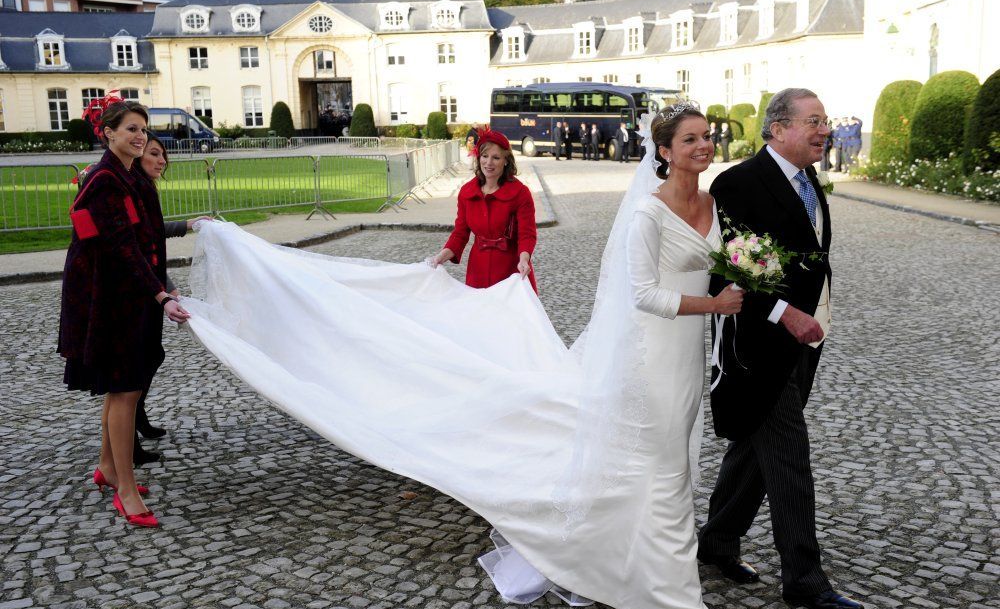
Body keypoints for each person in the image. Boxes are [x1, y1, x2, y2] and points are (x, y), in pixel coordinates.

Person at [179, 105, 743, 609]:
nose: (702, 145)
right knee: (631, 436)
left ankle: (646, 544)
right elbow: (463, 235)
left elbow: (530, 235)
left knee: (671, 448)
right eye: (690, 138)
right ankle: (665, 578)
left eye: (705, 137)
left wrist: (524, 261)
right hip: (486, 285)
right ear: (664, 151)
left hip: (521, 288)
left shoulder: (693, 203)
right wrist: (437, 261)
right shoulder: (629, 210)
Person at [700, 88, 864, 609]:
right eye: (813, 121)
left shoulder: (809, 177)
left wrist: (813, 316)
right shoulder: (737, 184)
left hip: (804, 342)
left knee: (753, 446)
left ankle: (717, 541)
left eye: (825, 120)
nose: (824, 130)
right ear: (777, 128)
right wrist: (786, 314)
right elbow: (728, 272)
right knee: (791, 459)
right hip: (758, 347)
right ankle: (804, 580)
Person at [58, 98, 190, 528]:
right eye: (130, 129)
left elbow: (147, 238)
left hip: (131, 293)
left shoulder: (130, 175)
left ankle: (109, 467)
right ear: (108, 133)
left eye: (143, 129)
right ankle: (126, 492)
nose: (139, 136)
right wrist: (161, 294)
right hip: (114, 298)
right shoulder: (105, 181)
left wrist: (160, 286)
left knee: (124, 388)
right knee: (126, 389)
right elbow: (121, 248)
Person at [130, 134, 211, 464]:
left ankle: (138, 419)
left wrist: (189, 224)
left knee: (150, 357)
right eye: (154, 154)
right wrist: (165, 288)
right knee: (138, 365)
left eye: (163, 155)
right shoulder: (133, 187)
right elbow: (136, 245)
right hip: (139, 290)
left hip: (149, 286)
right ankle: (129, 440)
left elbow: (150, 232)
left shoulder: (143, 186)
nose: (162, 160)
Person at [430, 129, 537, 292]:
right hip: (477, 270)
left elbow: (526, 234)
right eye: (485, 156)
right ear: (478, 158)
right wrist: (439, 258)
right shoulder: (467, 193)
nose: (489, 163)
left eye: (496, 157)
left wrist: (524, 259)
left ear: (506, 160)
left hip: (510, 270)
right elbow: (460, 233)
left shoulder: (520, 194)